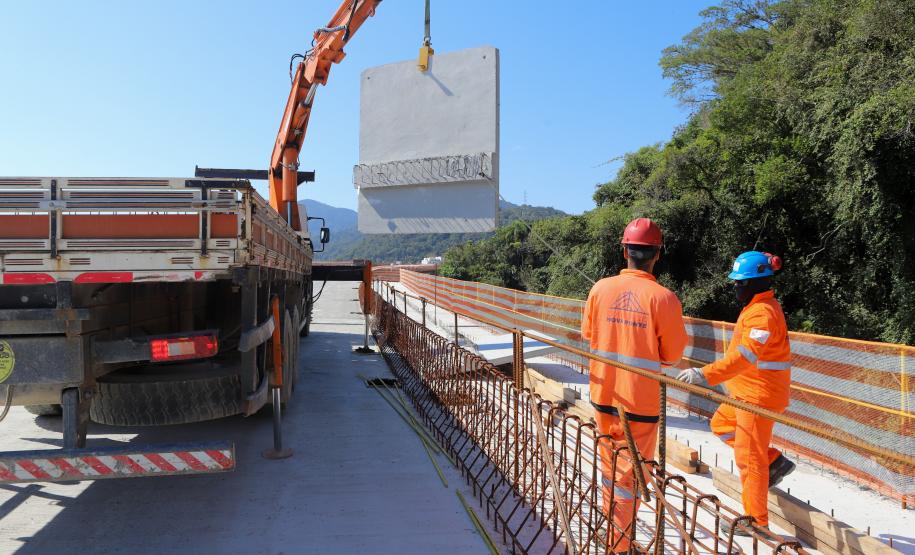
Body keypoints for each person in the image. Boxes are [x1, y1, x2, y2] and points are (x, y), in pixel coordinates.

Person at [581, 217, 688, 552]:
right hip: (639, 404)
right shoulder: (664, 298)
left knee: (610, 470)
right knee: (629, 476)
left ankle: (613, 533)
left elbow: (588, 335)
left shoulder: (600, 288)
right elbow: (671, 356)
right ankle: (620, 544)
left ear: (624, 249)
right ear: (658, 254)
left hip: (603, 396)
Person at [677, 251, 795, 536]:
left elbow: (744, 358)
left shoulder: (763, 314)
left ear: (757, 283)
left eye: (740, 282)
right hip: (745, 394)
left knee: (749, 459)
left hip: (758, 397)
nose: (735, 287)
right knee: (721, 425)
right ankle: (773, 461)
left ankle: (757, 521)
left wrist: (704, 374)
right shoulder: (756, 308)